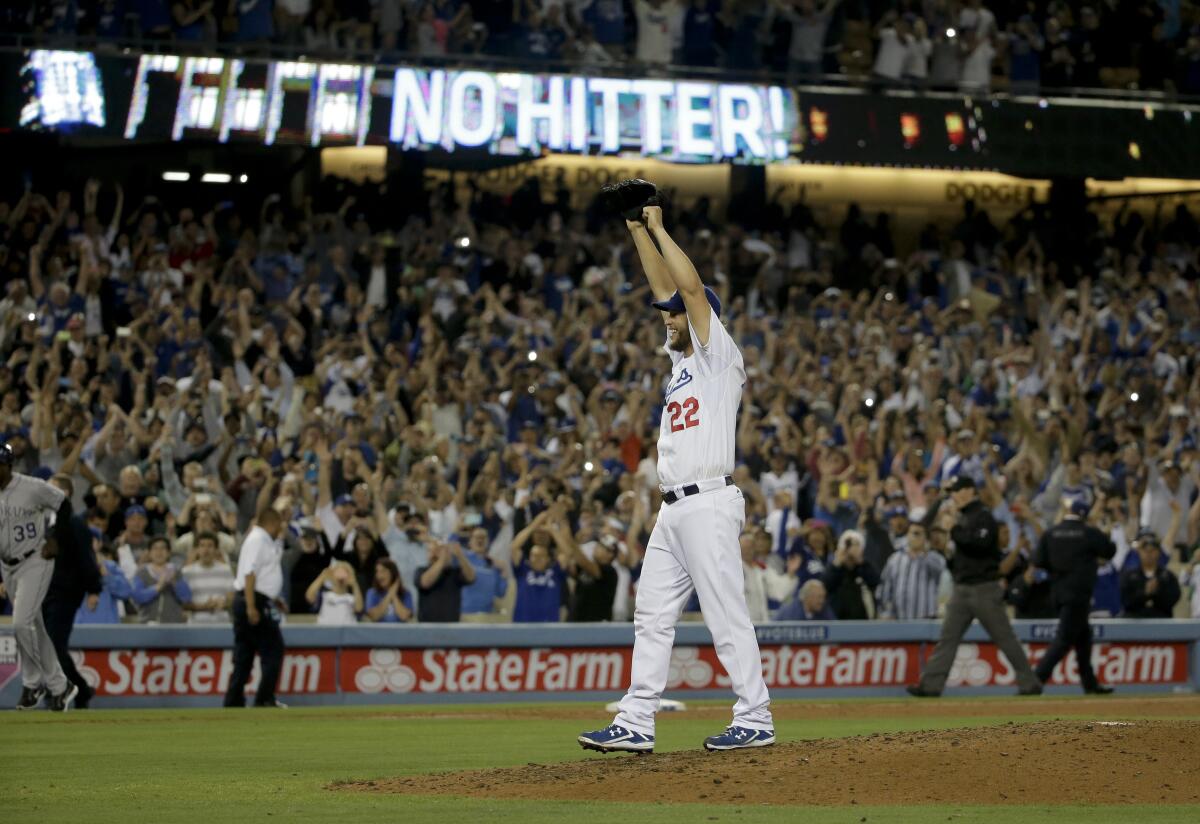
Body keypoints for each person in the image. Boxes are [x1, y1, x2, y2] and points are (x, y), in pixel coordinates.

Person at [580, 191, 774, 755]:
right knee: (651, 613)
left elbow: (687, 290)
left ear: (702, 318)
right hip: (673, 508)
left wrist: (661, 226)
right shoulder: (683, 362)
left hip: (710, 499)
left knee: (724, 612)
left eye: (676, 315)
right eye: (664, 315)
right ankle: (637, 719)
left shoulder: (717, 356)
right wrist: (634, 228)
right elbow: (663, 290)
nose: (667, 317)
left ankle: (755, 715)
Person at [907, 476, 1042, 697]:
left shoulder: (984, 516)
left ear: (971, 491)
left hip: (984, 588)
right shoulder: (960, 517)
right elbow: (928, 526)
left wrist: (954, 530)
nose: (954, 495)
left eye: (958, 490)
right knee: (947, 639)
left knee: (1005, 637)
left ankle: (1030, 682)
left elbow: (978, 545)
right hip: (962, 589)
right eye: (952, 491)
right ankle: (930, 685)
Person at [0, 443, 79, 711]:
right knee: (35, 627)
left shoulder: (31, 486)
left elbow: (64, 505)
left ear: (7, 465)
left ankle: (36, 684)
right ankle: (57, 686)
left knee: (21, 624)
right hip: (6, 564)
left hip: (36, 559)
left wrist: (54, 537)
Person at [1030, 499, 1116, 694]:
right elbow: (1110, 551)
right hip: (1078, 594)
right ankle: (1036, 679)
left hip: (1058, 593)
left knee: (1083, 638)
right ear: (1084, 515)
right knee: (1063, 639)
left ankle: (1090, 684)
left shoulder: (1050, 532)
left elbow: (1038, 560)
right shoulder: (1089, 533)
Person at [41, 474, 102, 708]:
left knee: (54, 646)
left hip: (65, 593)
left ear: (64, 494)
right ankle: (77, 689)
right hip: (46, 592)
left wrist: (94, 589)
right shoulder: (47, 523)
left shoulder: (74, 523)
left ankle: (70, 690)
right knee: (48, 646)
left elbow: (87, 559)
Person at [224, 505, 289, 709]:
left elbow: (261, 574)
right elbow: (249, 574)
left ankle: (233, 702)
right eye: (279, 523)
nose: (281, 528)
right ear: (272, 522)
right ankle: (264, 699)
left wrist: (273, 598)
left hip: (254, 599)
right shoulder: (258, 539)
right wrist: (252, 606)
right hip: (252, 601)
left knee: (245, 655)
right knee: (273, 649)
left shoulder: (262, 539)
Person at [877, 519, 946, 619]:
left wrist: (923, 553)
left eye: (918, 533)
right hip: (898, 620)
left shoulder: (935, 559)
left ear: (925, 537)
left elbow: (943, 581)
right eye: (913, 533)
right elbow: (885, 588)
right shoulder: (895, 559)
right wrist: (886, 612)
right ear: (907, 535)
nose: (915, 536)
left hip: (927, 620)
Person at [131, 537, 194, 624]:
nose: (159, 552)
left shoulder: (176, 571)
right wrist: (157, 587)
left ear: (168, 553)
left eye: (163, 548)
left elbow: (187, 598)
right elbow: (137, 597)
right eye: (155, 548)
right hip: (147, 624)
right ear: (149, 553)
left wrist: (175, 583)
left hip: (173, 625)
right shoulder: (142, 572)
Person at [1120, 530, 1182, 618]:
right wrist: (1144, 593)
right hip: (1134, 623)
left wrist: (1156, 592)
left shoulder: (1167, 576)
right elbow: (1126, 601)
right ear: (1139, 552)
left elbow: (1173, 599)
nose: (1149, 554)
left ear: (1158, 552)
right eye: (1145, 550)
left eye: (1152, 550)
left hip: (1162, 623)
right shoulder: (1129, 576)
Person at [416, 539, 476, 622]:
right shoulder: (421, 570)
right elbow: (425, 583)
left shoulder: (455, 573)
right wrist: (442, 559)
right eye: (436, 551)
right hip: (427, 627)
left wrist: (460, 556)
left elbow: (471, 577)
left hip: (451, 627)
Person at [182, 532, 235, 623]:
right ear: (196, 549)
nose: (206, 550)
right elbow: (183, 603)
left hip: (222, 623)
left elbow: (231, 598)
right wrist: (204, 607)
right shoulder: (186, 572)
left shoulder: (226, 570)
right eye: (202, 546)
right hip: (195, 624)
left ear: (216, 549)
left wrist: (224, 604)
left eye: (210, 546)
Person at [306, 560, 363, 624]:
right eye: (338, 571)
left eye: (345, 572)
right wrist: (321, 577)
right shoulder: (324, 595)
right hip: (326, 631)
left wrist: (354, 584)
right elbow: (309, 597)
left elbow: (359, 608)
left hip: (347, 632)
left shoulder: (351, 598)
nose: (341, 575)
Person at [364, 558, 414, 623]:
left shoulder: (406, 593)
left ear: (392, 573)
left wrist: (394, 596)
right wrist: (390, 594)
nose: (379, 575)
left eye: (383, 571)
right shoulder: (372, 593)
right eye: (377, 571)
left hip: (400, 632)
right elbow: (374, 616)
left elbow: (404, 616)